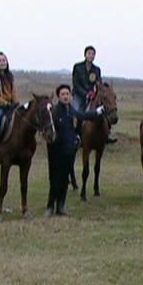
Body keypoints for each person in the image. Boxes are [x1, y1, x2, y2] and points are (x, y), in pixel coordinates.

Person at [46, 84, 105, 217]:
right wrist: (47, 110)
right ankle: (50, 206)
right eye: (63, 94)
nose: (66, 96)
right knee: (55, 179)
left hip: (69, 151)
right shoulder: (54, 111)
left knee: (65, 180)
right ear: (58, 97)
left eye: (67, 94)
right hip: (56, 151)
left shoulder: (71, 111)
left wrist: (97, 112)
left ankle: (61, 206)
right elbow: (47, 125)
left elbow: (83, 115)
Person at [72, 46, 117, 143]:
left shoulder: (96, 69)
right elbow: (76, 84)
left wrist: (98, 91)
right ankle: (75, 135)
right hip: (79, 95)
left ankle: (107, 133)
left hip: (93, 94)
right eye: (89, 53)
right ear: (85, 55)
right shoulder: (78, 67)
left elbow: (99, 82)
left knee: (104, 109)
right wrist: (86, 94)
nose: (91, 56)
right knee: (76, 112)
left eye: (93, 54)